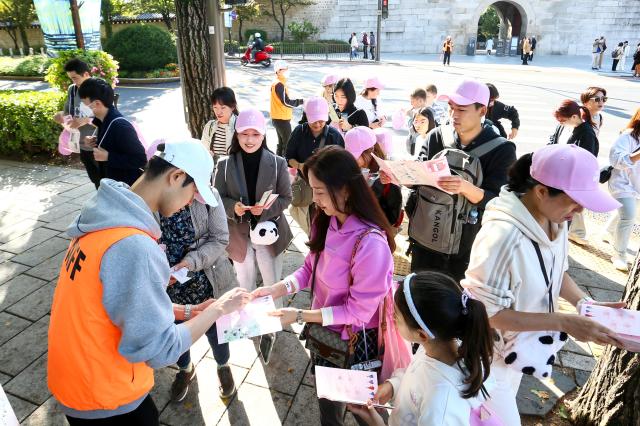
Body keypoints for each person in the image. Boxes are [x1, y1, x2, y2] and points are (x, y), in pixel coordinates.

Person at [47, 140, 251, 424]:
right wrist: (218, 309)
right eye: (193, 193)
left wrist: (189, 312)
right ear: (176, 177)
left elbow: (119, 306)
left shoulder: (104, 217)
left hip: (79, 378)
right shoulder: (134, 245)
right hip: (105, 392)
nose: (191, 201)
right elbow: (160, 349)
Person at [462, 144, 624, 425]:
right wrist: (563, 322)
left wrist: (584, 304)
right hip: (486, 360)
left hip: (515, 352)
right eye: (575, 201)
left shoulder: (556, 219)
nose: (580, 211)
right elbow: (485, 313)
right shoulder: (503, 237)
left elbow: (556, 272)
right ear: (541, 191)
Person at [252, 146, 395, 426]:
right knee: (328, 404)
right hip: (323, 332)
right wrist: (276, 289)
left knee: (364, 409)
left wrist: (300, 316)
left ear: (345, 189)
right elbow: (309, 269)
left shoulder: (371, 245)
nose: (314, 200)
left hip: (354, 341)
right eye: (313, 190)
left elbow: (357, 312)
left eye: (319, 191)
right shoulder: (325, 219)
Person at [349, 272, 495, 426]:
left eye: (396, 317)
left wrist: (376, 423)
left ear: (421, 334)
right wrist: (393, 387)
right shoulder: (434, 348)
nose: (392, 318)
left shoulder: (441, 402)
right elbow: (417, 377)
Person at [410, 79, 517, 280]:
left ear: (482, 111)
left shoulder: (502, 150)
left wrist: (466, 187)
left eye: (462, 109)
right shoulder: (437, 136)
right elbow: (419, 173)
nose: (453, 115)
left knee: (458, 305)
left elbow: (501, 203)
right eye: (451, 108)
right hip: (425, 239)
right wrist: (403, 176)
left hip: (468, 249)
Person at [213, 107, 292, 363]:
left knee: (271, 280)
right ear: (236, 135)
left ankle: (273, 324)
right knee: (243, 279)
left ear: (263, 135)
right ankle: (248, 321)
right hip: (239, 233)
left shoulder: (278, 163)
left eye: (255, 134)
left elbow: (287, 198)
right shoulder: (224, 164)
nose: (249, 139)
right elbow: (218, 197)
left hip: (268, 233)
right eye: (244, 134)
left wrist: (267, 209)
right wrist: (232, 207)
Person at [159, 189, 239, 401]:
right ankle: (185, 368)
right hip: (169, 287)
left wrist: (190, 262)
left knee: (216, 328)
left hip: (207, 280)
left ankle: (223, 365)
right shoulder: (154, 198)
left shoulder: (207, 195)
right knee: (176, 331)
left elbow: (220, 237)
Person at [286, 97, 345, 234]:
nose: (318, 124)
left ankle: (320, 241)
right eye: (314, 120)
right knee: (303, 215)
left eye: (321, 120)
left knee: (324, 220)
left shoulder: (334, 136)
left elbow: (342, 163)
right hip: (305, 184)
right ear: (307, 116)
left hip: (326, 185)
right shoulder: (299, 132)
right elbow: (288, 157)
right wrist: (300, 166)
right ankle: (312, 238)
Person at [78, 78, 146, 187]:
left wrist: (108, 157)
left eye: (85, 105)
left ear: (97, 103)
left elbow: (140, 159)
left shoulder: (120, 126)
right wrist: (95, 141)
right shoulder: (103, 121)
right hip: (113, 186)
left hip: (125, 190)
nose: (83, 109)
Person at [549, 99, 599, 246]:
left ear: (574, 117)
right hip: (556, 179)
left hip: (571, 184)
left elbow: (586, 162)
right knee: (552, 218)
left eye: (563, 120)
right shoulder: (563, 127)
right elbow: (552, 141)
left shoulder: (587, 134)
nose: (560, 123)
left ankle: (559, 250)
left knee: (562, 220)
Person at [53, 59, 101, 189]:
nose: (73, 82)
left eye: (75, 78)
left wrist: (86, 119)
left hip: (99, 142)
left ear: (86, 74)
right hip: (81, 143)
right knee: (95, 179)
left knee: (107, 179)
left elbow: (108, 115)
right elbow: (68, 112)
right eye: (71, 78)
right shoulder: (73, 89)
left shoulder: (100, 87)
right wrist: (61, 116)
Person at [604, 108, 640, 271]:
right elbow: (616, 159)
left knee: (626, 213)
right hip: (622, 184)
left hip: (637, 185)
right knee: (628, 216)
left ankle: (608, 231)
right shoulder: (629, 135)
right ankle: (619, 254)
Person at [270, 60, 303, 157]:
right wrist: (300, 101)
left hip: (278, 117)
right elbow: (286, 102)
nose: (288, 71)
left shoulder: (278, 83)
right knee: (287, 143)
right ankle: (283, 165)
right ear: (279, 71)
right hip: (281, 119)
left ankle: (277, 162)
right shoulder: (279, 84)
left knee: (281, 143)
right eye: (286, 69)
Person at [200, 87, 238, 162]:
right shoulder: (210, 126)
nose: (218, 112)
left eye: (223, 108)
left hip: (232, 171)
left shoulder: (240, 126)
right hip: (213, 171)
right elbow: (203, 151)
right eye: (215, 107)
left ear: (233, 107)